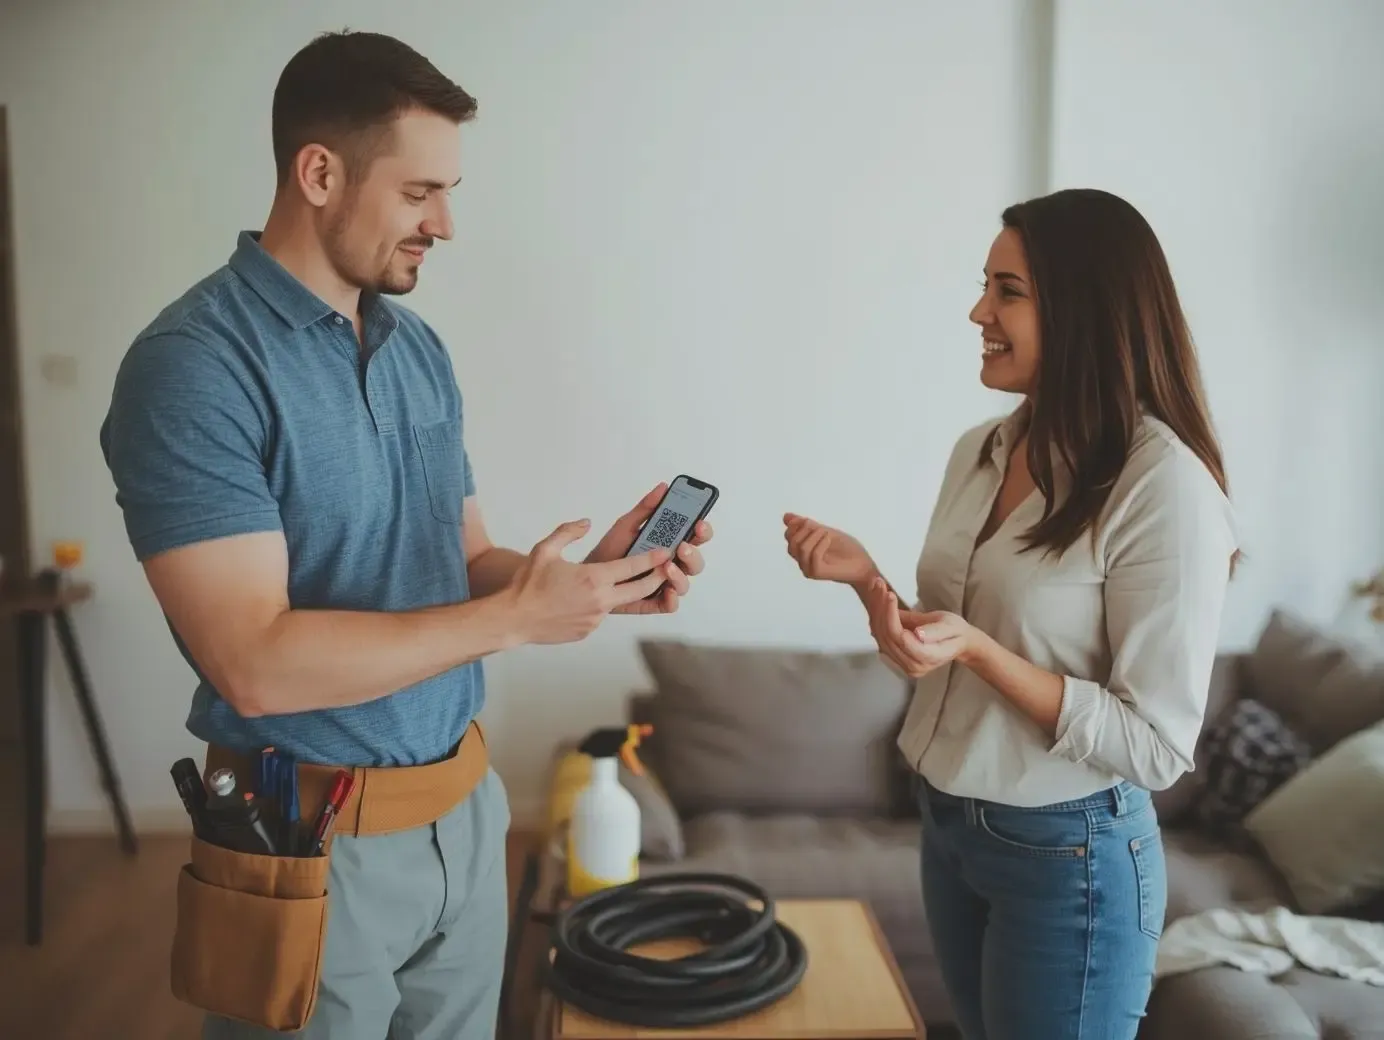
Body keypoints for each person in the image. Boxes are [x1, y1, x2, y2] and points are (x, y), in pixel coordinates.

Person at [100, 30, 712, 1040]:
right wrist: (515, 620)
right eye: (421, 190)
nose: (447, 223)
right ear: (319, 173)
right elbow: (253, 662)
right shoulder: (193, 367)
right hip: (304, 842)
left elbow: (467, 562)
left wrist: (588, 580)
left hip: (465, 817)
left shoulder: (415, 346)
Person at [783, 188, 1237, 1040]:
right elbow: (945, 647)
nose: (977, 311)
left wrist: (982, 653)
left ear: (1087, 309)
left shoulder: (1163, 484)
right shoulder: (983, 450)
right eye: (984, 285)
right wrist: (867, 583)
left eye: (1008, 291)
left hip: (1070, 852)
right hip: (950, 823)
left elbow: (1157, 744)